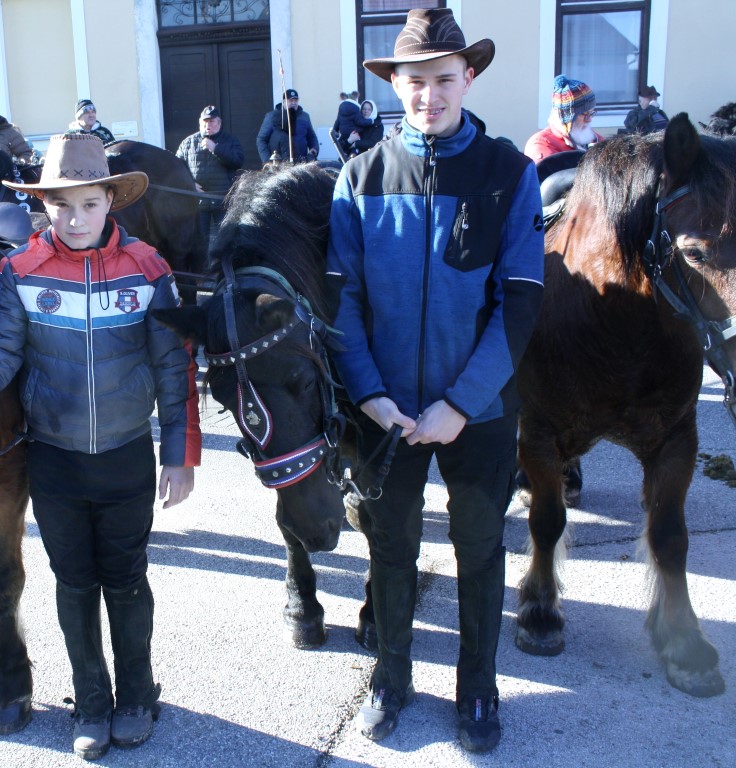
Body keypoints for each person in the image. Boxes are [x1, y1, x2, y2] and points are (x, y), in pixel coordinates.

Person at [0, 133, 200, 761]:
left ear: (109, 200)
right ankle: (91, 703)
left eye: (89, 204)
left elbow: (175, 366)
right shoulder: (19, 273)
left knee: (126, 579)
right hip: (56, 461)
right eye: (61, 205)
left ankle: (137, 696)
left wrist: (179, 451)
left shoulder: (148, 269)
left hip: (125, 458)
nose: (76, 218)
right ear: (44, 205)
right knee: (73, 582)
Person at [327, 8, 544, 753]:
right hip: (382, 409)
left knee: (479, 549)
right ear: (396, 86)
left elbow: (522, 302)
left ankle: (477, 687)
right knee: (388, 550)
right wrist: (368, 393)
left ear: (468, 78)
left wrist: (461, 402)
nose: (429, 96)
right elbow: (343, 299)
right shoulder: (359, 178)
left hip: (476, 416)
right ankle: (392, 678)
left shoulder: (508, 173)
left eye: (444, 80)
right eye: (414, 83)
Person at [175, 105, 244, 247]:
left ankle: (223, 267)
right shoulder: (188, 142)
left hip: (222, 200)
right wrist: (190, 184)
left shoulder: (230, 140)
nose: (208, 125)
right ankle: (203, 268)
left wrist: (216, 149)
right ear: (200, 123)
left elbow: (238, 161)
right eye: (205, 121)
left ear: (219, 123)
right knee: (200, 241)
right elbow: (177, 168)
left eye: (212, 121)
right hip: (198, 202)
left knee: (225, 239)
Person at [523, 75, 605, 161]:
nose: (589, 119)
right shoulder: (542, 144)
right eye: (584, 114)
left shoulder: (597, 140)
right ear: (566, 117)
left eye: (592, 113)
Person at [257, 88, 319, 164]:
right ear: (283, 102)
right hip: (279, 163)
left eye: (296, 101)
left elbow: (312, 137)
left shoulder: (305, 116)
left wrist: (314, 150)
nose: (294, 103)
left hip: (301, 162)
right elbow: (261, 140)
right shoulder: (272, 116)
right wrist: (267, 161)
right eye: (291, 100)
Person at [333, 91, 368, 157]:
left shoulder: (341, 112)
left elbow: (337, 123)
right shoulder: (357, 110)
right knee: (355, 148)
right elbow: (360, 122)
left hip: (344, 136)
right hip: (356, 134)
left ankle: (348, 155)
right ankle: (353, 153)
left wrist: (335, 131)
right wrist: (370, 121)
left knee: (344, 148)